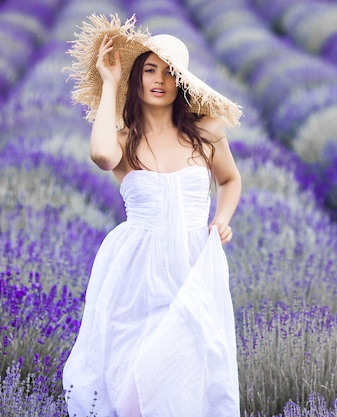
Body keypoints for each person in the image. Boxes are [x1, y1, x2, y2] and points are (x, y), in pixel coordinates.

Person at [62, 14, 243, 417]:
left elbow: (231, 181)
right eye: (149, 70)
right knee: (130, 383)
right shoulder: (122, 141)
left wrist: (222, 218)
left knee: (188, 375)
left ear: (181, 82)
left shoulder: (206, 133)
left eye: (168, 72)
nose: (159, 79)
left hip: (193, 267)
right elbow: (100, 155)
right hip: (135, 272)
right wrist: (109, 83)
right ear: (137, 79)